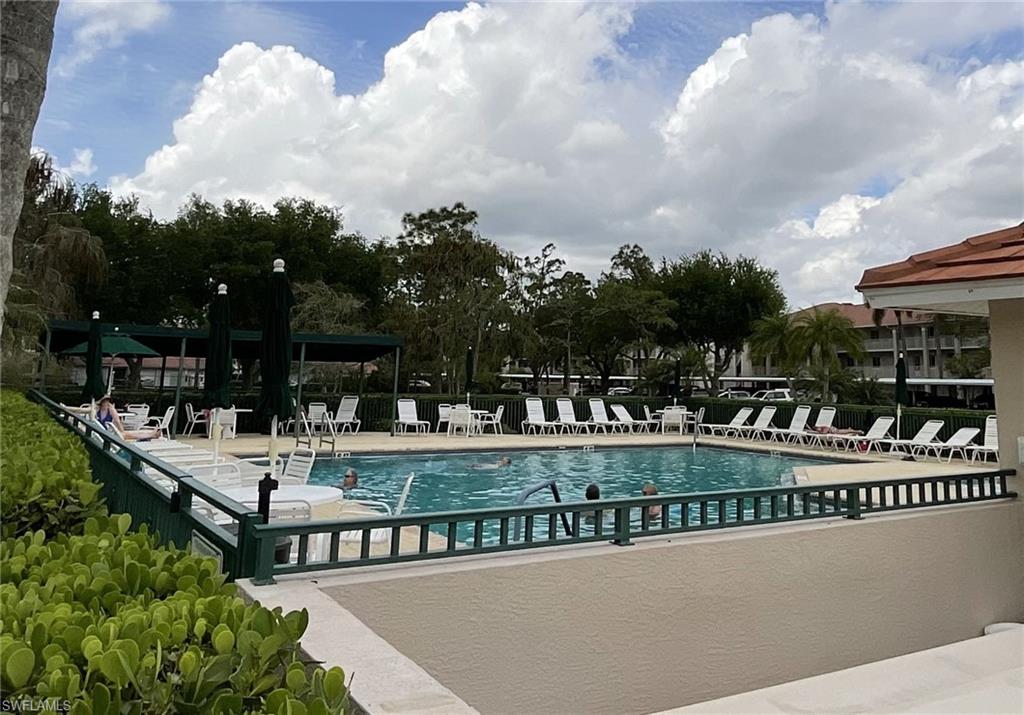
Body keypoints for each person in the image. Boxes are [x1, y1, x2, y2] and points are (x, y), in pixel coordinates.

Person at [96, 397, 161, 441]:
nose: (107, 403)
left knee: (128, 433)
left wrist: (122, 431)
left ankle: (151, 434)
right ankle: (151, 434)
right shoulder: (97, 410)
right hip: (104, 433)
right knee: (128, 434)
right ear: (101, 403)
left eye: (108, 402)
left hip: (108, 432)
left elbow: (117, 421)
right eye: (105, 402)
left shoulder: (110, 410)